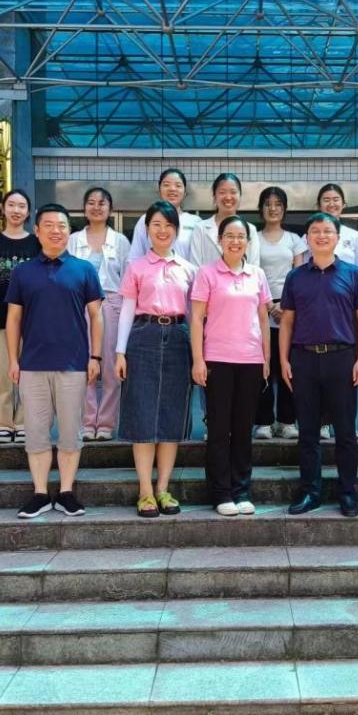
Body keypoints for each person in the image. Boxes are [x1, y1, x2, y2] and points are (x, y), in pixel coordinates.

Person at [6, 203, 104, 519]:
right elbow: (13, 319)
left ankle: (65, 492)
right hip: (32, 365)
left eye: (62, 225)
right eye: (48, 225)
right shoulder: (22, 272)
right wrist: (13, 360)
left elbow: (96, 316)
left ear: (68, 231)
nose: (56, 231)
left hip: (73, 365)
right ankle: (39, 494)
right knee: (36, 433)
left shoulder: (84, 269)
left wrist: (95, 356)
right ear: (37, 231)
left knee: (71, 433)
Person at [280, 212, 358, 517]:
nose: (321, 236)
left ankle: (348, 492)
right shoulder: (295, 277)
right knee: (308, 431)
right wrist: (284, 360)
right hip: (304, 358)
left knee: (345, 431)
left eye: (327, 231)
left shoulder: (353, 274)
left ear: (337, 237)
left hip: (341, 357)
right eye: (315, 231)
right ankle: (311, 492)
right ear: (307, 238)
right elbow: (287, 322)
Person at [116, 201, 197, 518]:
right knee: (142, 412)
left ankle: (163, 488)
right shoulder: (136, 267)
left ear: (177, 230)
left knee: (171, 415)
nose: (163, 231)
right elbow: (126, 310)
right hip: (143, 336)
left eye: (169, 225)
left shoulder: (189, 269)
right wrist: (119, 352)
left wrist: (198, 355)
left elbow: (194, 316)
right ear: (147, 229)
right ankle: (145, 491)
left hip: (178, 338)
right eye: (156, 225)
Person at [191, 216, 272, 516]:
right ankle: (221, 492)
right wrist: (198, 360)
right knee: (218, 429)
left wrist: (266, 359)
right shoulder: (207, 273)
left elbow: (263, 318)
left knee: (242, 429)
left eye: (241, 237)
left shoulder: (257, 274)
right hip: (217, 360)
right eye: (230, 236)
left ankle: (241, 490)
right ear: (220, 240)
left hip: (250, 360)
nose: (235, 241)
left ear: (248, 242)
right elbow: (196, 318)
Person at [68, 187, 131, 441]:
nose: (96, 207)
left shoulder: (121, 241)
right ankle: (87, 421)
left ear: (110, 209)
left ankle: (105, 423)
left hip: (111, 303)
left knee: (110, 367)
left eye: (102, 203)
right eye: (91, 203)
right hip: (79, 305)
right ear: (84, 208)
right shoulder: (73, 240)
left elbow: (127, 280)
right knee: (84, 364)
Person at [0, 189, 41, 444]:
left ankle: (24, 422)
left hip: (32, 319)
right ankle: (3, 424)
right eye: (11, 205)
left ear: (28, 212)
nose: (16, 210)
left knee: (29, 374)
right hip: (2, 318)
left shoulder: (36, 242)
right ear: (3, 209)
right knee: (3, 373)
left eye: (21, 206)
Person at [306, 184, 358, 440]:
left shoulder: (355, 237)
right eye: (326, 199)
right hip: (316, 312)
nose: (331, 203)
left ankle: (344, 422)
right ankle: (322, 422)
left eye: (336, 199)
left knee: (345, 378)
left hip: (345, 312)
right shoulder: (311, 236)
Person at [254, 186, 304, 440]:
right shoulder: (253, 238)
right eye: (268, 203)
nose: (272, 208)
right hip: (259, 309)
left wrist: (285, 304)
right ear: (261, 208)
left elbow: (299, 275)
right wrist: (267, 306)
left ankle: (286, 420)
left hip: (289, 310)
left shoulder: (294, 240)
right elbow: (251, 272)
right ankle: (263, 421)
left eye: (278, 204)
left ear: (284, 209)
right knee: (263, 365)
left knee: (288, 366)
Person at [189, 173, 261, 267]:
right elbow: (195, 267)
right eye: (222, 192)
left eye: (233, 192)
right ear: (214, 197)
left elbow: (254, 268)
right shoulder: (201, 229)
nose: (228, 197)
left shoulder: (251, 230)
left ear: (240, 196)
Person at [129, 168, 201, 262]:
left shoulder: (195, 222)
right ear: (159, 191)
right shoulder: (145, 219)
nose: (172, 189)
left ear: (184, 193)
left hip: (186, 271)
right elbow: (134, 257)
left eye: (178, 185)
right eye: (166, 185)